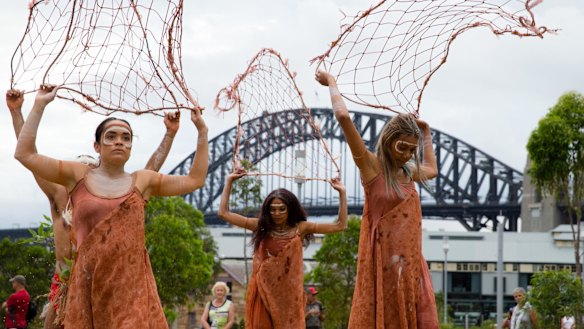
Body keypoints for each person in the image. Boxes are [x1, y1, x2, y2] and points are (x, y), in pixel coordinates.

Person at [13, 85, 209, 328]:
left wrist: (201, 130)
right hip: (86, 284)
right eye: (111, 137)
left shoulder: (142, 180)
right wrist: (38, 105)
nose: (119, 142)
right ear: (97, 146)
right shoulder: (77, 177)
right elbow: (25, 154)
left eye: (126, 138)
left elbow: (195, 180)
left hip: (131, 287)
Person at [316, 71, 439, 329]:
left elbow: (432, 170)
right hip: (382, 264)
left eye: (411, 150)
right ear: (389, 140)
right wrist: (332, 83)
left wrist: (426, 133)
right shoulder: (370, 166)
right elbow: (343, 117)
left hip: (410, 266)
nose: (406, 154)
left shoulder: (408, 172)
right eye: (401, 147)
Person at [218, 171, 348, 329]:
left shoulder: (301, 228)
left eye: (282, 209)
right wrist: (229, 180)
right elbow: (223, 213)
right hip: (263, 292)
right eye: (272, 209)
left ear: (290, 209)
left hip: (288, 295)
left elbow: (340, 225)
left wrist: (342, 192)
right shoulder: (261, 226)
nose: (277, 213)